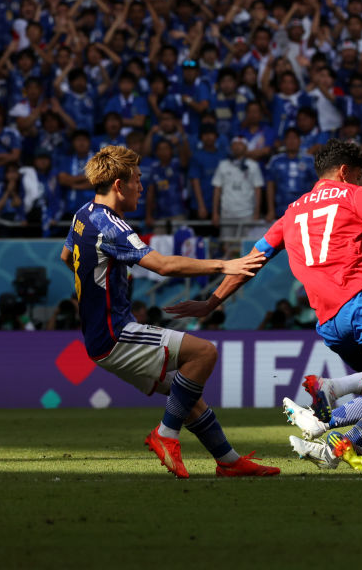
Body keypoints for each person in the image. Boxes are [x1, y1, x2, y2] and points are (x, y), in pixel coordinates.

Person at [165, 140, 362, 475]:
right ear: (345, 172)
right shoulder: (353, 195)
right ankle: (332, 388)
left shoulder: (291, 212)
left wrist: (211, 302)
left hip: (330, 321)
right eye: (360, 176)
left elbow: (253, 261)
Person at [58, 145, 277, 479]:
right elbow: (161, 265)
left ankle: (229, 461)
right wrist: (224, 264)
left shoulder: (83, 214)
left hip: (100, 336)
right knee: (204, 354)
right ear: (119, 185)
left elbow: (65, 256)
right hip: (116, 333)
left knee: (187, 397)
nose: (141, 187)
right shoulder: (111, 225)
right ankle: (165, 435)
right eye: (137, 180)